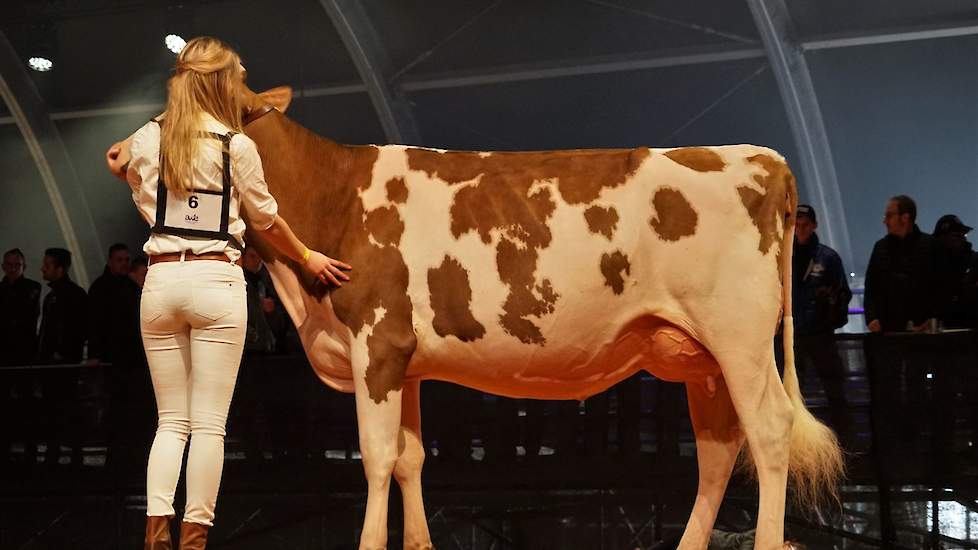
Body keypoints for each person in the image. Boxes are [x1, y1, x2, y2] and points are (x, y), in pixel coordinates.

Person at [105, 37, 351, 549]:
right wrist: (308, 257)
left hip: (161, 281)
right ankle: (193, 542)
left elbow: (118, 161)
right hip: (216, 280)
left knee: (170, 422)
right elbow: (266, 219)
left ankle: (155, 538)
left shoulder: (151, 139)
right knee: (209, 427)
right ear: (223, 84)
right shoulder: (237, 146)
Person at [787, 205, 852, 438]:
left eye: (805, 223)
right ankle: (796, 443)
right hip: (792, 336)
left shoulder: (828, 257)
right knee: (792, 394)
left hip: (820, 335)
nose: (800, 228)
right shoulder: (784, 255)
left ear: (814, 225)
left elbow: (843, 293)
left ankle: (843, 441)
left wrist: (830, 304)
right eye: (796, 223)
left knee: (834, 391)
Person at [36, 247, 88, 467]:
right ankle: (64, 454)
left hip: (62, 366)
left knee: (62, 410)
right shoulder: (58, 295)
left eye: (47, 264)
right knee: (58, 410)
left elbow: (78, 329)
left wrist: (62, 353)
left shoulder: (64, 296)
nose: (42, 268)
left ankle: (63, 454)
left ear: (60, 268)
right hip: (56, 364)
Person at [864, 195, 937, 333]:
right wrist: (872, 318)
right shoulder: (880, 248)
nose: (884, 221)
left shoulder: (930, 246)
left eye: (889, 216)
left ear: (905, 217)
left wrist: (931, 319)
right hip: (888, 332)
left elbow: (940, 286)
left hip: (923, 333)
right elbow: (871, 286)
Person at [931, 214, 976, 329]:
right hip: (936, 331)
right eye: (957, 235)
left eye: (964, 234)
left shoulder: (974, 261)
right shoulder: (930, 263)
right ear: (941, 238)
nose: (963, 238)